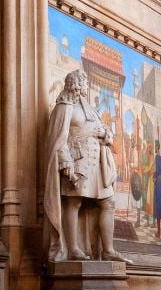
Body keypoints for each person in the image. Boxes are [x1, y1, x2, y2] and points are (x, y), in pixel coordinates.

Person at [44, 69, 125, 262]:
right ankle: (72, 249)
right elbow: (57, 138)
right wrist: (65, 161)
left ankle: (108, 250)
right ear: (77, 84)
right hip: (78, 161)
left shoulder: (89, 107)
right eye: (85, 83)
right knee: (74, 202)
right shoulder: (64, 106)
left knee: (108, 202)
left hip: (98, 165)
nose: (87, 86)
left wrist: (105, 134)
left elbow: (105, 130)